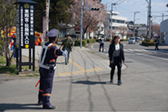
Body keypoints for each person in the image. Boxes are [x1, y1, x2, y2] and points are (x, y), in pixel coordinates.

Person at [38, 29, 67, 109]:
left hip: (42, 67)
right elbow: (56, 51)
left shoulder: (45, 44)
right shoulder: (52, 46)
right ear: (55, 38)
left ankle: (40, 99)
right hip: (48, 69)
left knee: (42, 84)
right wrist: (62, 53)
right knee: (48, 85)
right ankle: (46, 103)